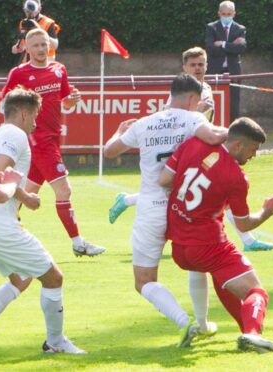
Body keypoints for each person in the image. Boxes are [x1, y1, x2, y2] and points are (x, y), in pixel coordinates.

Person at [109, 48, 273, 252]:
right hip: (186, 151)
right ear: (184, 67)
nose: (197, 68)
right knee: (204, 189)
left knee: (217, 188)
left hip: (202, 149)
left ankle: (246, 240)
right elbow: (170, 119)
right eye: (193, 65)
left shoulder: (204, 87)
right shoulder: (179, 96)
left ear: (207, 65)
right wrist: (236, 135)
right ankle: (242, 239)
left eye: (201, 64)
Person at [103, 73, 228, 347]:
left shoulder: (145, 123)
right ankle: (204, 323)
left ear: (171, 95)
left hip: (151, 207)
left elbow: (109, 151)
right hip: (185, 206)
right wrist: (237, 130)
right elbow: (215, 137)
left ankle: (186, 323)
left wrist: (119, 131)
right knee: (198, 263)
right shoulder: (194, 119)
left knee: (144, 281)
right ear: (194, 99)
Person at [0, 87, 85, 354]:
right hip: (0, 227)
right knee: (54, 278)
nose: (36, 120)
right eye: (35, 114)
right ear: (24, 113)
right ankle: (55, 343)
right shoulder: (15, 134)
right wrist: (27, 197)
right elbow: (1, 174)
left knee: (21, 278)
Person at [159, 118, 273, 353]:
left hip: (179, 246)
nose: (253, 156)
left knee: (223, 278)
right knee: (256, 291)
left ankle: (246, 331)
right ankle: (253, 334)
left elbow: (165, 180)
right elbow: (244, 224)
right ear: (238, 145)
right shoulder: (236, 177)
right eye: (253, 150)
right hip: (208, 245)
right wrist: (267, 211)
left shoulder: (194, 144)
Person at [2, 28, 105, 257]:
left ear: (49, 46)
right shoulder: (19, 73)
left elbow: (65, 103)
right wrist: (17, 130)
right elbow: (5, 105)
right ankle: (78, 242)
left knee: (26, 192)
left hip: (54, 137)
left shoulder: (59, 70)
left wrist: (70, 101)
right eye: (35, 45)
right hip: (38, 140)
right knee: (64, 190)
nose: (40, 49)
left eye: (43, 44)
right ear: (27, 49)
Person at [205, 1, 247, 122]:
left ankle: (233, 130)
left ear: (234, 14)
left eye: (229, 14)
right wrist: (231, 46)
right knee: (212, 100)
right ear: (219, 13)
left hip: (233, 70)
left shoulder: (240, 29)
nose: (226, 17)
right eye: (223, 14)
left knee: (234, 102)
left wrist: (222, 44)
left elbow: (241, 48)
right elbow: (210, 49)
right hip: (215, 70)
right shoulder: (211, 27)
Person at [11, 0, 60, 65]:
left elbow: (55, 45)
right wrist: (16, 48)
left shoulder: (48, 23)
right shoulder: (24, 23)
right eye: (27, 11)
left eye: (32, 11)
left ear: (39, 9)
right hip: (28, 63)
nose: (30, 14)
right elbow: (20, 46)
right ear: (24, 10)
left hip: (46, 64)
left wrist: (39, 29)